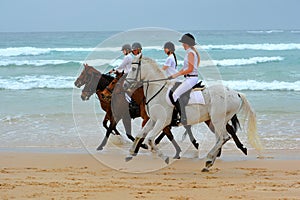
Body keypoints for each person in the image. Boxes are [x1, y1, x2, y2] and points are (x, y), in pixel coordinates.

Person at [169, 33, 200, 125]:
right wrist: (175, 75)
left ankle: (183, 118)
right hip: (188, 78)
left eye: (183, 43)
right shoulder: (189, 52)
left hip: (191, 79)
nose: (182, 45)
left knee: (174, 95)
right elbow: (184, 68)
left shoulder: (190, 53)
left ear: (186, 43)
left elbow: (190, 69)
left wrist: (178, 74)